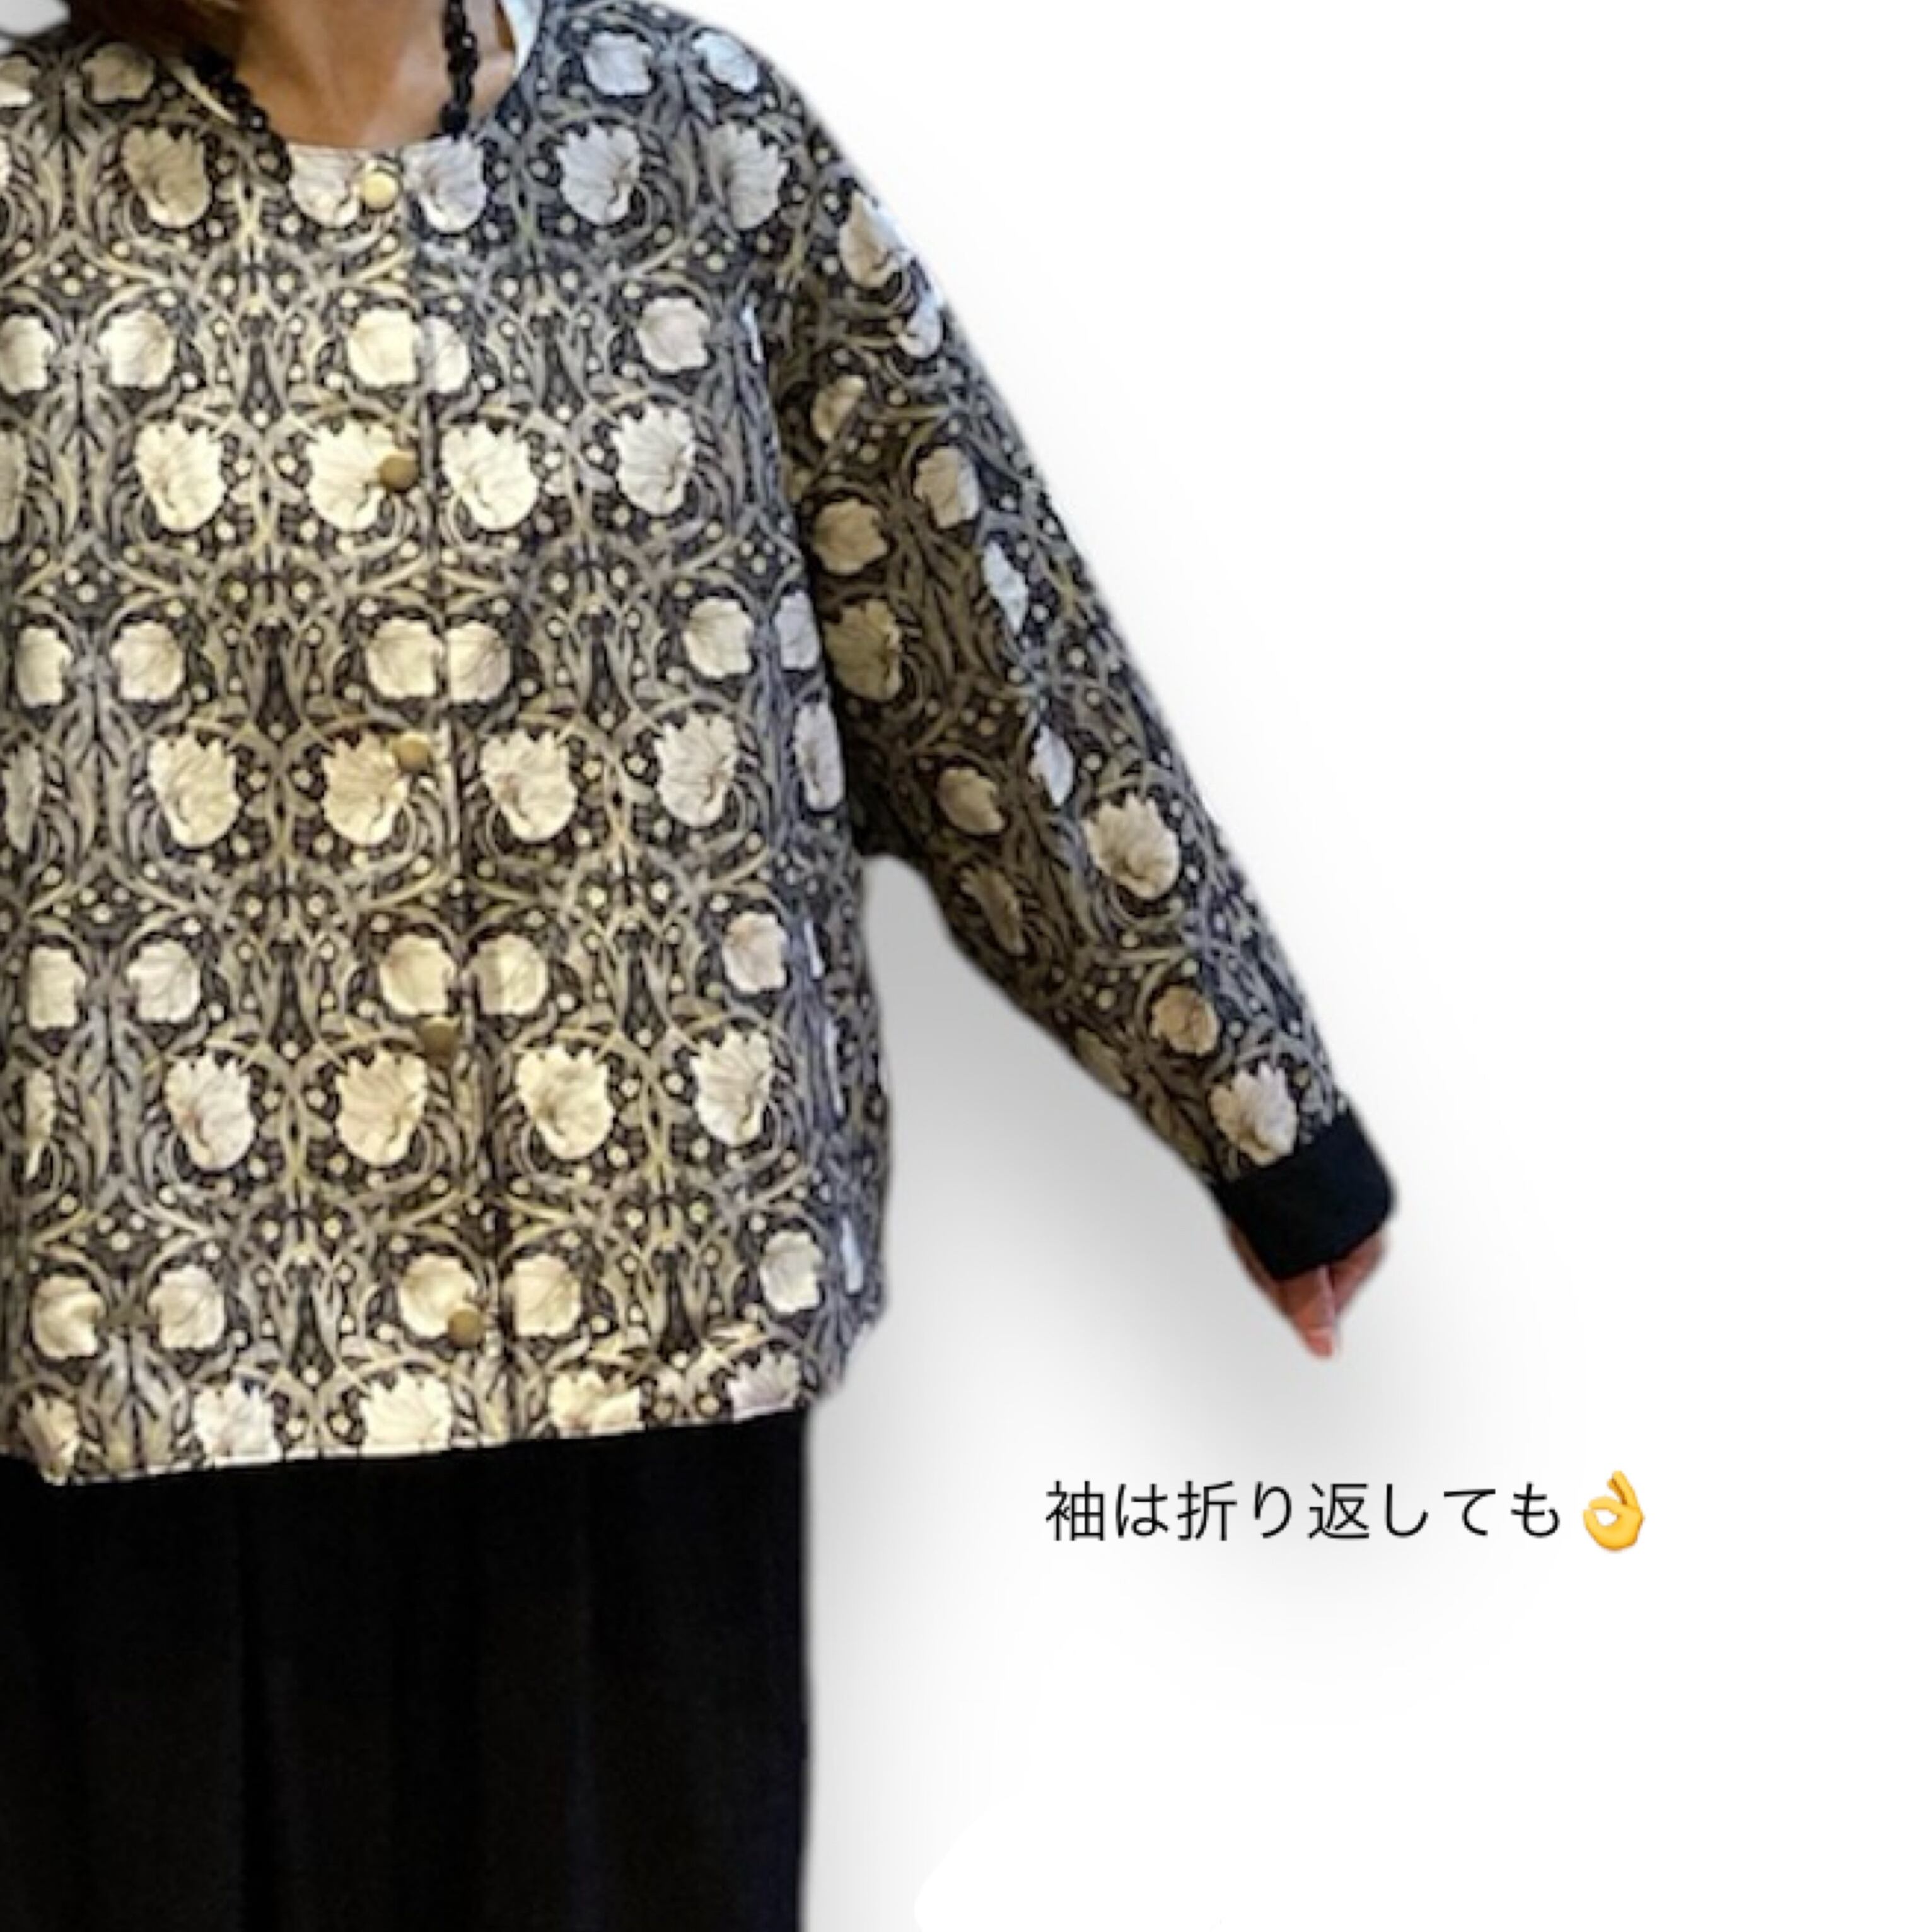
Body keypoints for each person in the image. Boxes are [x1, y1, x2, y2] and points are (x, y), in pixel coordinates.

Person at [0, 1, 1397, 1925]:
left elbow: (976, 641)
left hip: (642, 1343)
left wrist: (1253, 1107)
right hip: (162, 1355)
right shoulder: (24, 179)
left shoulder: (697, 142)